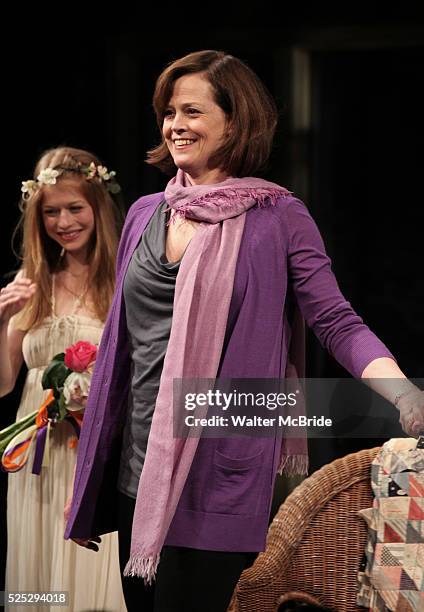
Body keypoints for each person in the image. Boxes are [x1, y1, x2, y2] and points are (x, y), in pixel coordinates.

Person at [65, 51, 424, 612]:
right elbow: (123, 345)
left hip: (217, 469)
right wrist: (95, 471)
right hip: (137, 467)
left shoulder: (277, 217)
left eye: (192, 111)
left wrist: (403, 393)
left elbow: (335, 320)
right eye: (168, 112)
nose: (175, 124)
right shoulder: (142, 213)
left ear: (234, 121)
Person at [0, 146, 127, 611]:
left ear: (97, 206)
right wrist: (1, 322)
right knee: (38, 569)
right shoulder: (31, 281)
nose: (63, 221)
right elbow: (2, 383)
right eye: (51, 212)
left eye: (75, 208)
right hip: (38, 456)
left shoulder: (120, 282)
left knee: (92, 568)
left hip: (92, 448)